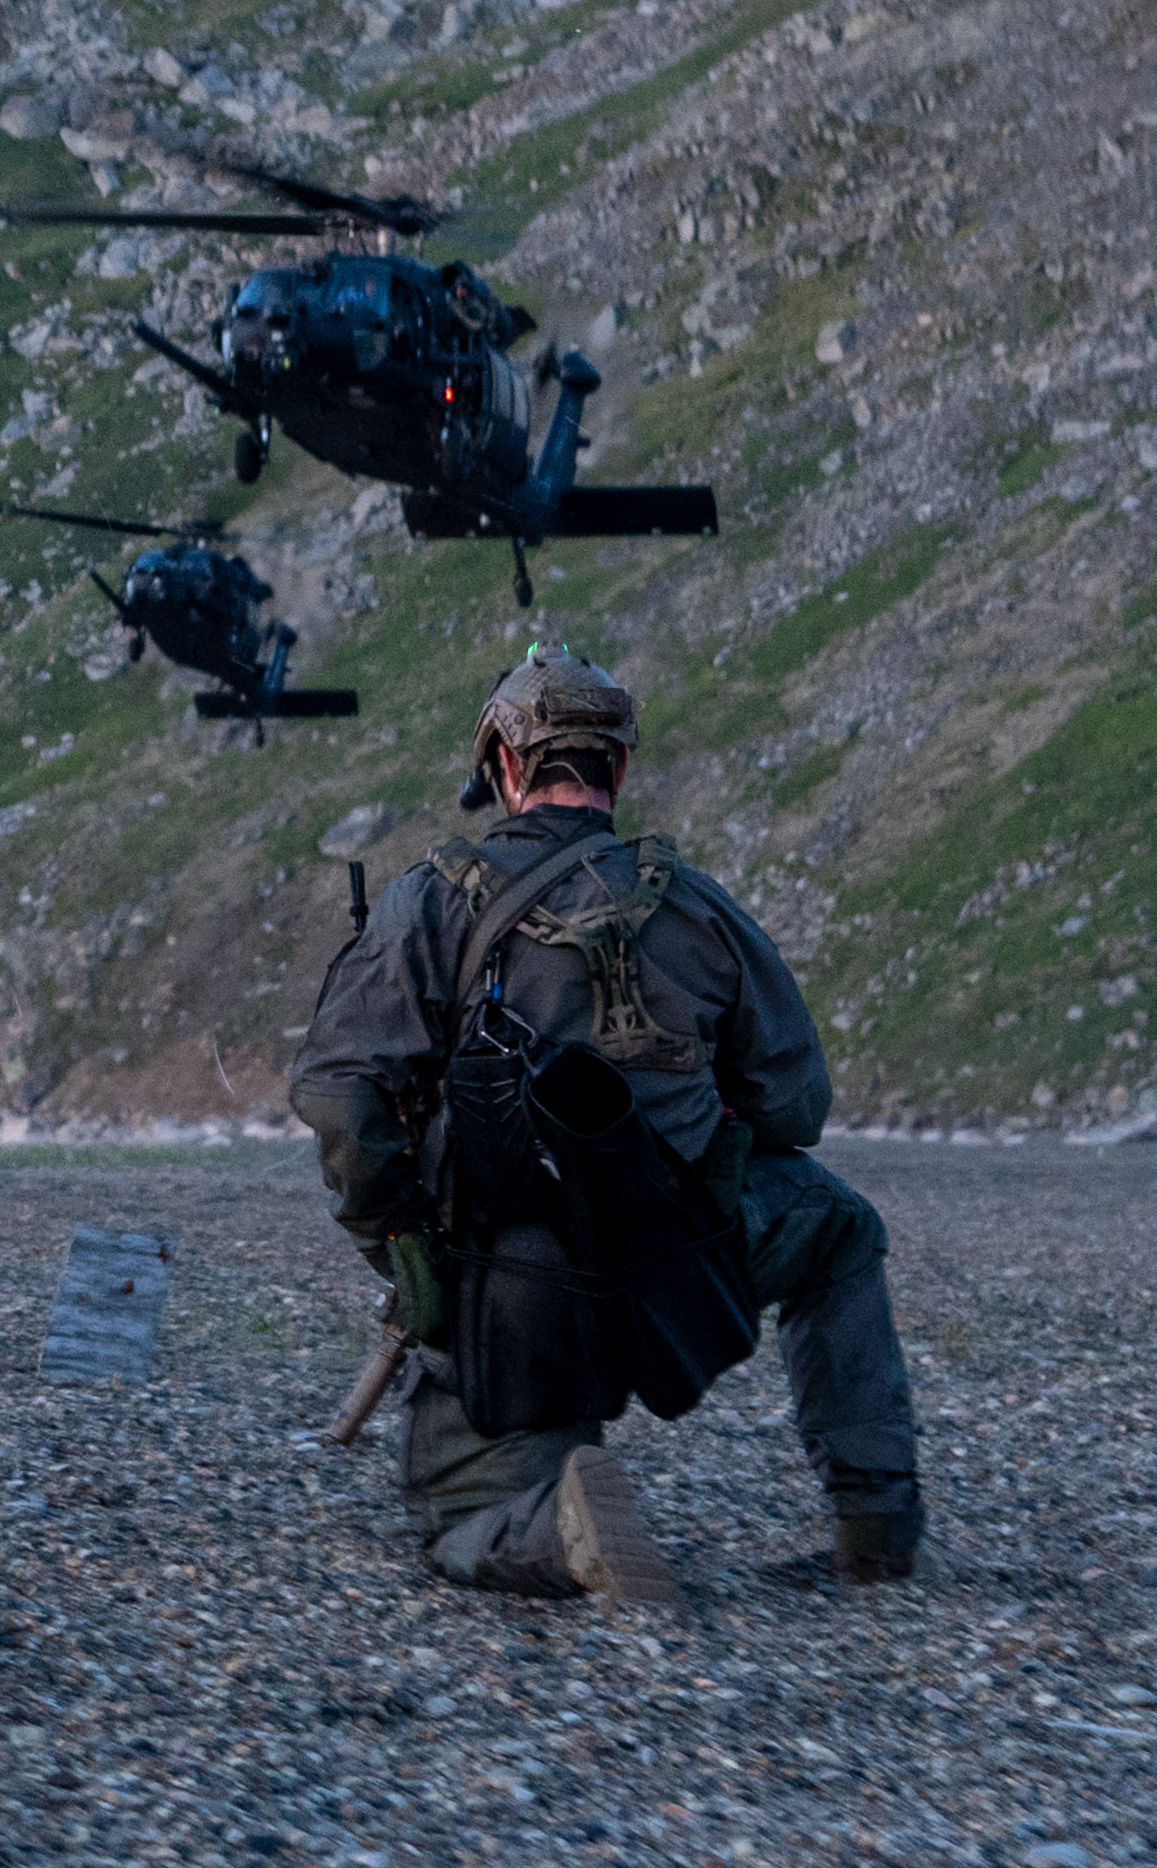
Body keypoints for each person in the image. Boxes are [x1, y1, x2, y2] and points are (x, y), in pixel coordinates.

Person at [292, 647, 930, 1601]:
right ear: (618, 768)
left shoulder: (428, 902)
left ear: (503, 768)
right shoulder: (696, 903)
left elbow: (341, 1096)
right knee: (839, 1228)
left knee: (463, 1521)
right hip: (688, 1263)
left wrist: (410, 1252)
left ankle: (563, 1528)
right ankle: (876, 1530)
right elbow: (795, 1107)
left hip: (511, 1294)